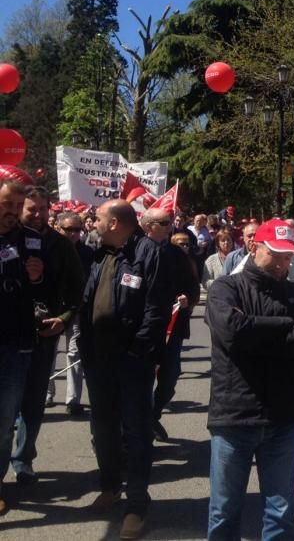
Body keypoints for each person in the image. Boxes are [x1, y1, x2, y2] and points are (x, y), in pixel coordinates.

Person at [204, 219, 294, 539]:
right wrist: (284, 325)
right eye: (277, 254)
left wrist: (258, 333)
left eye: (288, 256)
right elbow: (232, 333)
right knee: (225, 509)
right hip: (234, 415)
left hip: (282, 416)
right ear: (255, 247)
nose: (284, 262)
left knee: (281, 511)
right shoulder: (226, 287)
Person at [78, 200, 174, 540]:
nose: (94, 222)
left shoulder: (150, 253)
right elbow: (88, 300)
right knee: (102, 428)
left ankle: (136, 506)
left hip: (131, 361)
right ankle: (110, 487)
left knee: (135, 432)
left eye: (99, 218)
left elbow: (157, 308)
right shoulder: (103, 253)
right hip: (98, 360)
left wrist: (138, 351)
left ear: (116, 222)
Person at [12, 186, 84, 485]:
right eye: (32, 209)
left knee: (32, 402)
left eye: (43, 208)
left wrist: (64, 319)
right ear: (18, 209)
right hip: (9, 334)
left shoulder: (61, 245)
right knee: (6, 404)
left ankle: (23, 459)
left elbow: (77, 290)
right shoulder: (7, 239)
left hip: (45, 334)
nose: (38, 214)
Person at [0, 179, 47, 516]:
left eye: (18, 207)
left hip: (15, 343)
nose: (13, 213)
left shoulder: (30, 240)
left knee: (4, 421)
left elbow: (44, 290)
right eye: (7, 205)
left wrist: (37, 278)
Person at [150, 219, 201, 442]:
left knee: (170, 376)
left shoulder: (178, 256)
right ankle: (138, 423)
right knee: (139, 380)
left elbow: (193, 287)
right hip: (144, 329)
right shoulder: (137, 250)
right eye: (161, 222)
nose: (166, 225)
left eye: (167, 222)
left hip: (174, 327)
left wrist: (187, 298)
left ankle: (152, 414)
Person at [50, 211, 95, 416]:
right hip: (52, 310)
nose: (74, 233)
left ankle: (73, 400)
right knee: (49, 353)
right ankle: (47, 393)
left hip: (77, 309)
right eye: (69, 229)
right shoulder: (48, 249)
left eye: (77, 230)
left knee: (74, 353)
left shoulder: (88, 252)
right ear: (59, 228)